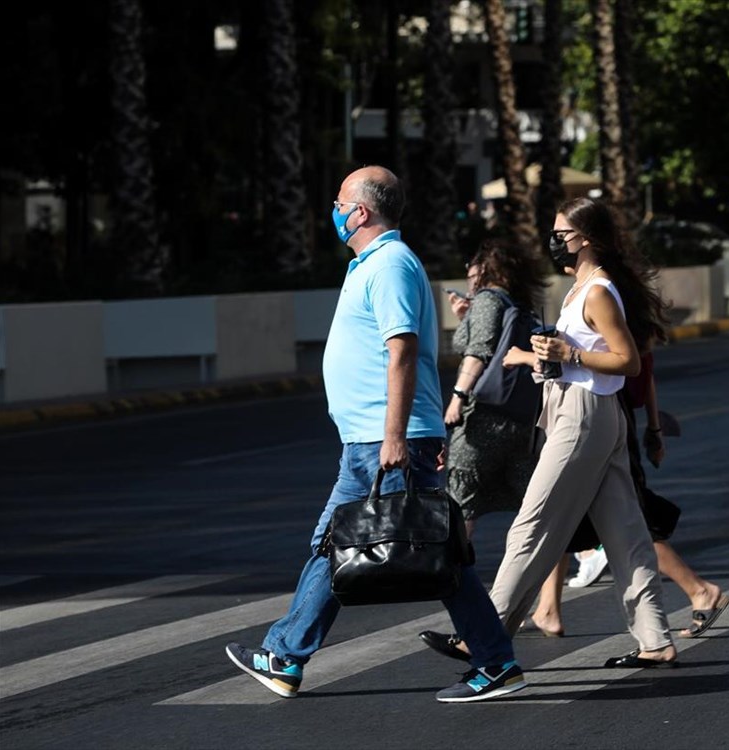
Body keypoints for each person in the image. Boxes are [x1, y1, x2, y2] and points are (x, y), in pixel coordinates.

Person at [224, 166, 526, 704]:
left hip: (389, 439)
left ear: (360, 211)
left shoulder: (389, 264)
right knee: (351, 545)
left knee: (425, 551)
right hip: (374, 438)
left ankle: (494, 660)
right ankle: (285, 656)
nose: (335, 211)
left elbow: (402, 349)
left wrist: (393, 436)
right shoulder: (373, 263)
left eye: (340, 202)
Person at [420, 197, 678, 668]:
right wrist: (546, 357)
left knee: (532, 524)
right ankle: (655, 640)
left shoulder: (598, 290)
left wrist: (569, 354)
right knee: (624, 532)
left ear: (589, 239)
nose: (555, 242)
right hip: (582, 410)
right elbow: (577, 358)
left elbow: (629, 361)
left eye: (563, 234)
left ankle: (485, 632)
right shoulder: (579, 288)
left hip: (584, 417)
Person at [528, 352, 729, 639]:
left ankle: (699, 590)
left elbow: (630, 365)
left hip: (603, 418)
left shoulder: (605, 309)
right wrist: (653, 426)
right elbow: (644, 370)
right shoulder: (624, 311)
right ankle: (548, 608)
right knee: (564, 512)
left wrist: (526, 357)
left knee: (630, 519)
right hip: (607, 415)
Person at [444, 240, 546, 540]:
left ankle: (456, 576)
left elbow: (479, 352)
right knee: (533, 499)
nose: (468, 274)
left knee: (460, 497)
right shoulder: (515, 304)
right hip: (518, 419)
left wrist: (457, 397)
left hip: (485, 418)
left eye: (471, 267)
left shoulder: (489, 300)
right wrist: (466, 317)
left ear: (485, 269)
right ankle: (584, 551)